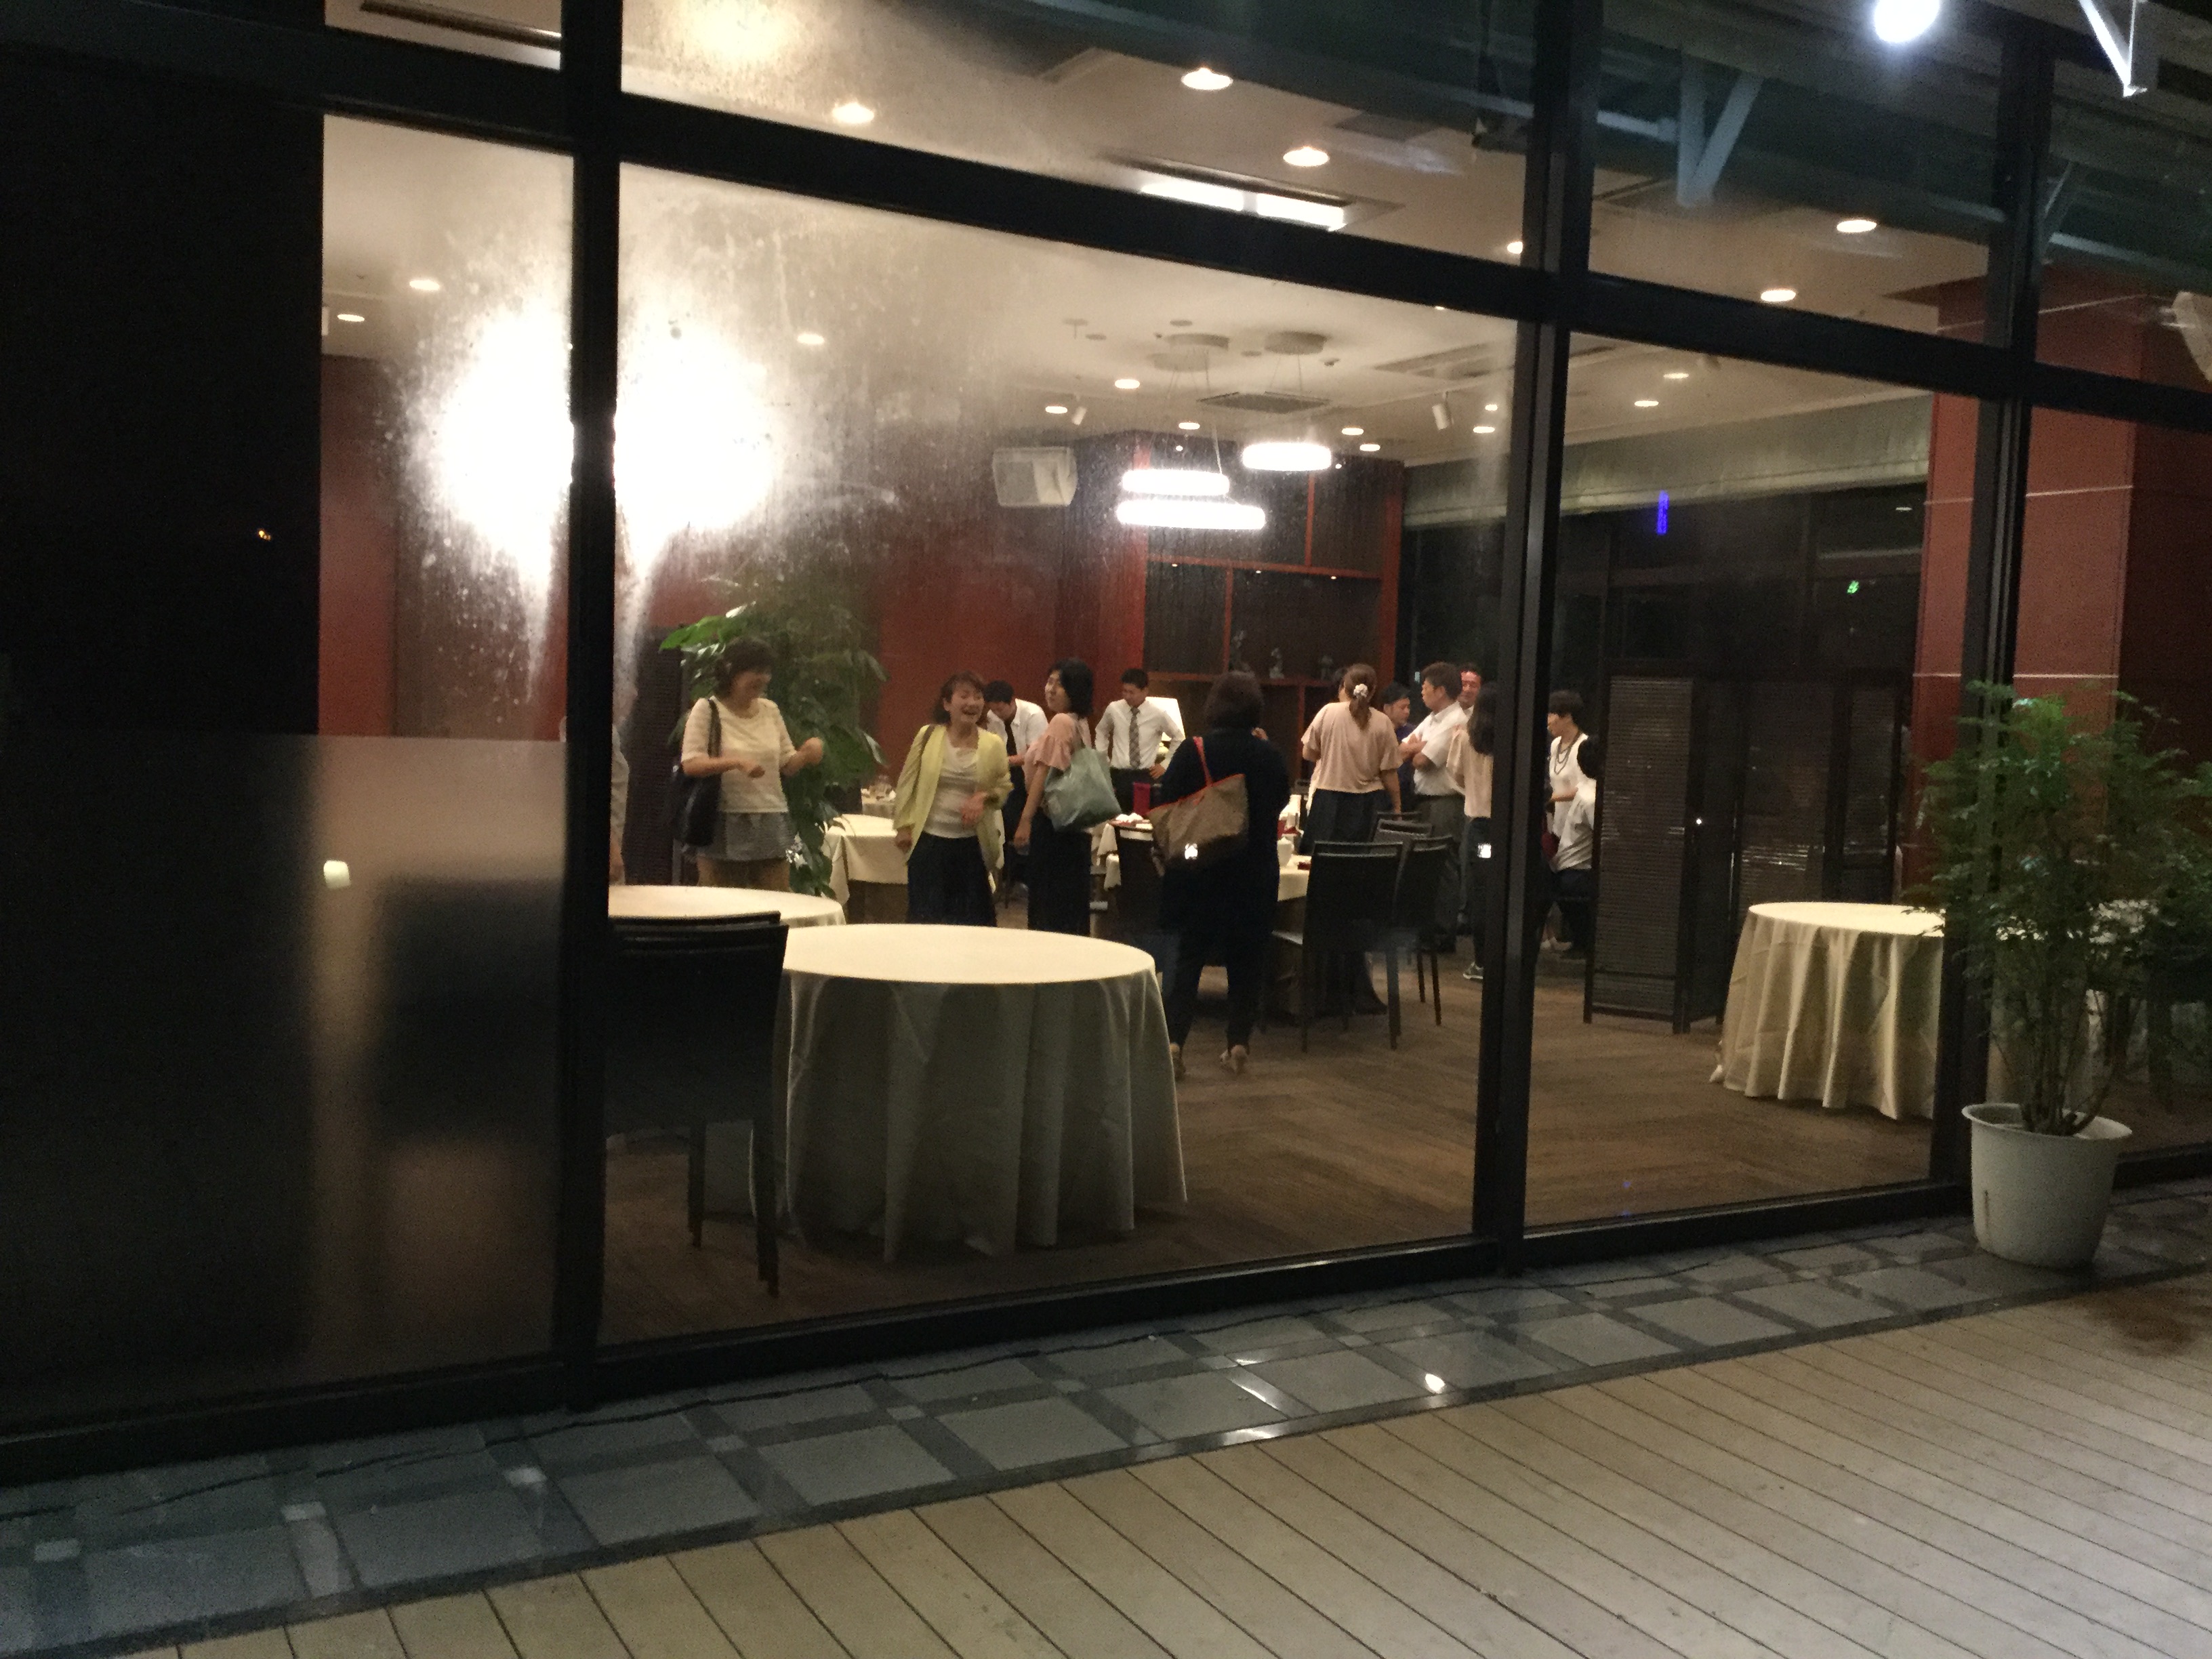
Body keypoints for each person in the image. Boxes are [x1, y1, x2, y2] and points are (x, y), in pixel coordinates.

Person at [1153, 671, 1291, 1079]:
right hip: (1255, 869)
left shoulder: (1193, 750)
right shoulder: (1269, 755)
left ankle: (1175, 1043)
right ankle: (1237, 1044)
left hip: (1200, 867)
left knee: (1189, 957)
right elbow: (1280, 801)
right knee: (1247, 959)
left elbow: (1167, 799)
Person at [678, 638, 824, 889]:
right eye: (755, 671)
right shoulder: (707, 709)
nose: (763, 678)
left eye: (766, 672)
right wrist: (736, 762)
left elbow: (787, 765)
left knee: (779, 896)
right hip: (721, 819)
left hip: (773, 818)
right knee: (721, 900)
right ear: (731, 671)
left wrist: (807, 753)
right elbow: (691, 763)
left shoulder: (771, 710)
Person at [893, 671, 1010, 926]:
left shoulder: (993, 744)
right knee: (927, 922)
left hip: (972, 847)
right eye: (964, 696)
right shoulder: (928, 736)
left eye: (978, 696)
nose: (972, 703)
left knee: (972, 925)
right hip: (929, 844)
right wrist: (903, 826)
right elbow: (907, 782)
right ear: (947, 704)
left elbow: (1004, 787)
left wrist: (983, 797)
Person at [1012, 658, 1097, 935]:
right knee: (1069, 907)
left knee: (1049, 906)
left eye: (1059, 685)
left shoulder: (1061, 722)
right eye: (1049, 682)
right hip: (1074, 828)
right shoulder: (1080, 722)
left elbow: (1044, 772)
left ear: (1074, 690)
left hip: (1053, 826)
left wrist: (1025, 819)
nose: (1050, 689)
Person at [1399, 661, 1469, 948]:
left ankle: (1442, 934)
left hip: (1446, 802)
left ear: (1441, 691)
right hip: (1424, 800)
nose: (1422, 692)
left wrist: (1417, 748)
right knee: (1424, 867)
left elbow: (1422, 761)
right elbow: (1401, 749)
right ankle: (1426, 929)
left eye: (1426, 687)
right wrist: (1416, 747)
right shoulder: (1432, 719)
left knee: (1443, 866)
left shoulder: (1456, 720)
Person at [1298, 662, 1401, 848]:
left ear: (1344, 686)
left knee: (1323, 859)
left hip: (1329, 801)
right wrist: (1397, 808)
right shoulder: (1383, 722)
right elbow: (1389, 773)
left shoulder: (1328, 712)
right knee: (1361, 859)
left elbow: (1308, 753)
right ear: (1373, 690)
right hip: (1369, 804)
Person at [1443, 684, 1498, 980]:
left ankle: (1482, 962)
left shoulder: (1465, 737)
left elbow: (1456, 775)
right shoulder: (1514, 738)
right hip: (1508, 830)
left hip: (1480, 830)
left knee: (1480, 893)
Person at [984, 679, 1046, 897]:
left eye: (1000, 709)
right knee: (1006, 822)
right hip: (1007, 775)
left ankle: (1029, 879)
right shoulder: (992, 716)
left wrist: (1003, 761)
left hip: (1032, 774)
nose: (997, 714)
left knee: (1027, 824)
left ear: (1012, 701)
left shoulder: (1033, 715)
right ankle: (1010, 878)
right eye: (993, 710)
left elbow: (1034, 755)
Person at [1094, 666, 1183, 812]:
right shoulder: (1114, 709)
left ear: (1145, 691)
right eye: (1125, 691)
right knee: (1116, 816)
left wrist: (1165, 764)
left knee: (1142, 817)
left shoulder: (1158, 714)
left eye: (1132, 692)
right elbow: (1101, 731)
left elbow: (1178, 737)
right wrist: (1102, 757)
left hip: (1144, 775)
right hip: (1118, 774)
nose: (1127, 696)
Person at [1551, 738, 1601, 957]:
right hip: (1577, 875)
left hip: (1568, 870)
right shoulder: (1593, 799)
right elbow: (1605, 836)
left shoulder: (1586, 787)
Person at [1378, 681, 1415, 802]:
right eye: (1402, 708)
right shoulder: (1377, 731)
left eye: (1408, 707)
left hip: (1407, 792)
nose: (1407, 712)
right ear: (1387, 708)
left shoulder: (1412, 732)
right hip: (1380, 792)